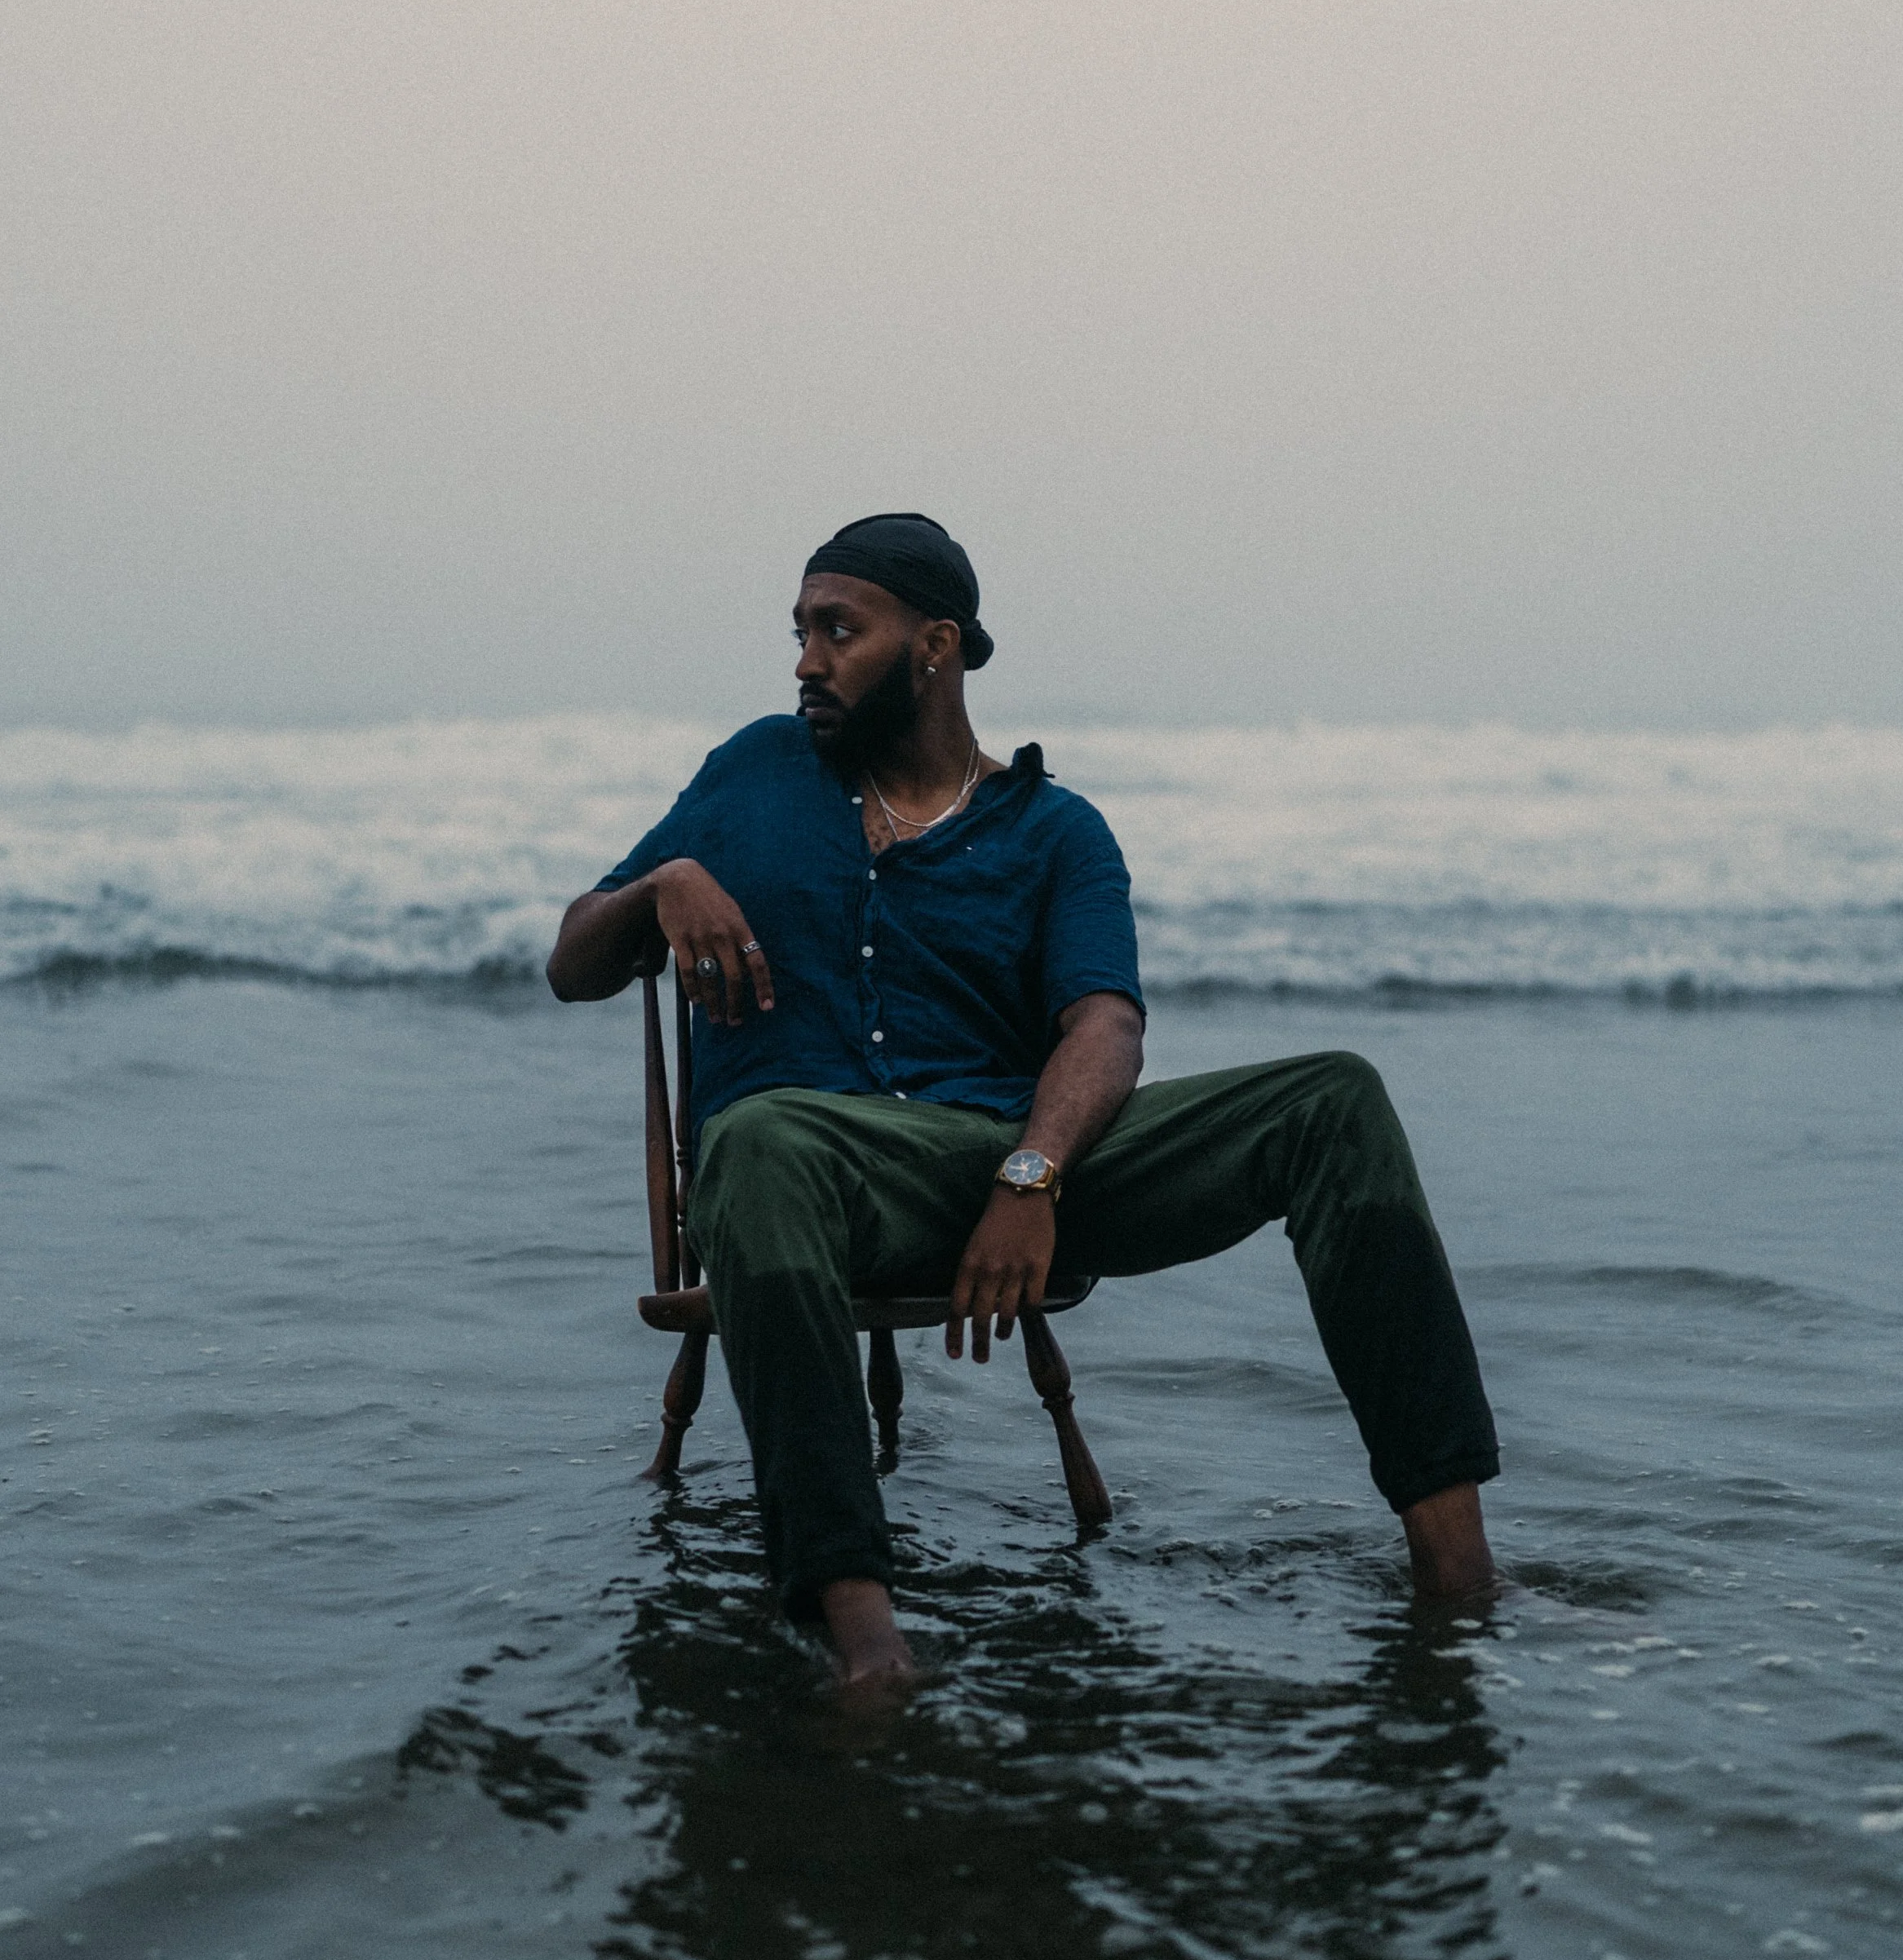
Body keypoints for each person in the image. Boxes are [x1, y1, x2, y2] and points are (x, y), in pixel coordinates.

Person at [547, 513, 1499, 1695]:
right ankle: (866, 1640)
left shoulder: (1056, 830)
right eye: (799, 632)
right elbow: (572, 960)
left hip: (1015, 1164)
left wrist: (1032, 1173)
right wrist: (662, 884)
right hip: (814, 1174)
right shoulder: (752, 774)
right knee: (755, 1140)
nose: (806, 661)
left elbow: (1106, 1028)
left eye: (839, 630)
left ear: (935, 644)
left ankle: (1460, 1579)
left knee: (1335, 1101)